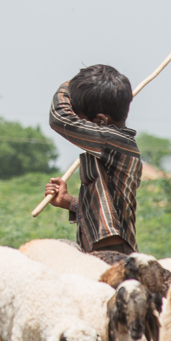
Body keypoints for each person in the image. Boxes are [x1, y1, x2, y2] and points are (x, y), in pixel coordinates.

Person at [43, 64, 142, 255]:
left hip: (112, 253)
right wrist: (68, 201)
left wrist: (69, 85)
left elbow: (59, 117)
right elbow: (107, 208)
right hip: (102, 250)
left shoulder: (111, 141)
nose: (77, 122)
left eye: (79, 117)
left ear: (100, 121)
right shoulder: (113, 144)